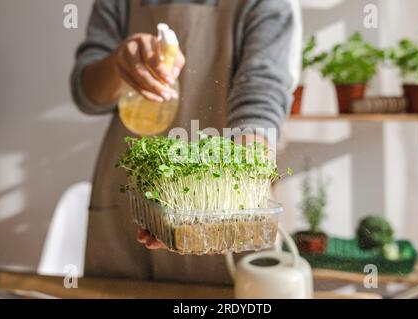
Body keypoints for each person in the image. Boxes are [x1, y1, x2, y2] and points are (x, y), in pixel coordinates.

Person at [70, 0, 301, 284]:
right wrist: (119, 63)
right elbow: (86, 94)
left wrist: (233, 205)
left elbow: (261, 94)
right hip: (127, 204)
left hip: (222, 207)